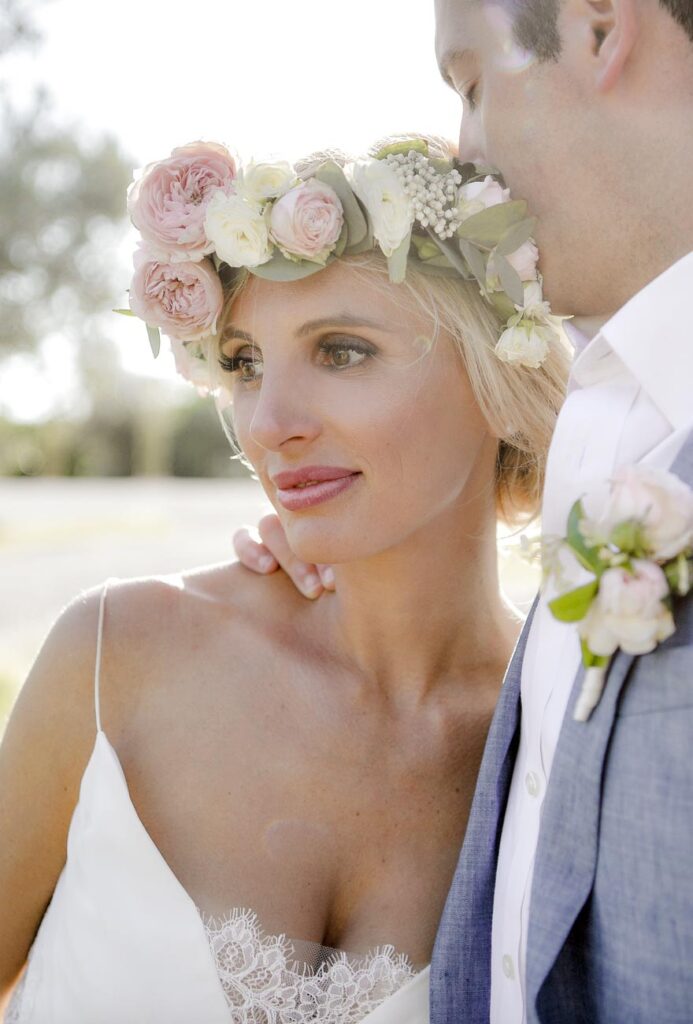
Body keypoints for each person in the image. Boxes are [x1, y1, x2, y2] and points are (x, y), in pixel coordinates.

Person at [0, 136, 568, 1022]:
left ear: (495, 371)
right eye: (242, 363)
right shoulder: (119, 655)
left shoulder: (556, 736)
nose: (268, 424)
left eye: (341, 351)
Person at [235, 2, 693, 1022]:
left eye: (472, 83)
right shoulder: (617, 412)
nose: (465, 152)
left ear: (602, 26)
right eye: (242, 363)